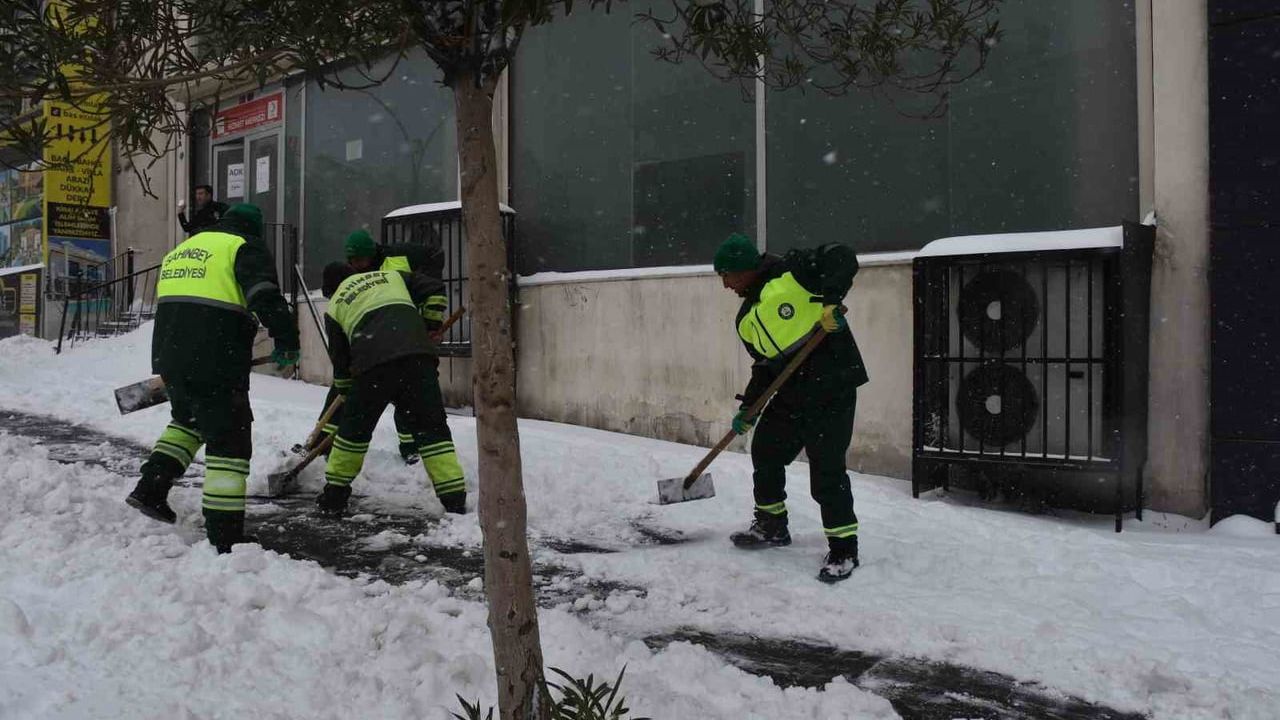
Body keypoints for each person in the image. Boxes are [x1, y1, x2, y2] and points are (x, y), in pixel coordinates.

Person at [125, 203, 300, 552]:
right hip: (215, 360)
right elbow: (264, 295)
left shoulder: (185, 249)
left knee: (188, 421)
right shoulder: (243, 246)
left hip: (170, 355)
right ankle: (225, 534)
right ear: (254, 229)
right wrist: (287, 339)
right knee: (230, 441)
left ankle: (150, 489)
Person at [714, 232, 869, 583]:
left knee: (826, 468)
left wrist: (831, 302)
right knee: (766, 451)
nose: (725, 285)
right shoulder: (746, 319)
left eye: (727, 275)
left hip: (832, 385)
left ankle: (844, 549)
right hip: (792, 391)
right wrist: (749, 408)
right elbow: (766, 365)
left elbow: (841, 253)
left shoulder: (794, 271)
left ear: (744, 268)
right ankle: (771, 525)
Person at [315, 261, 467, 516]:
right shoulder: (392, 277)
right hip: (418, 358)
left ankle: (335, 496)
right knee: (432, 429)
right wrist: (429, 324)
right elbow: (435, 288)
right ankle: (454, 498)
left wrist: (346, 389)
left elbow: (340, 361)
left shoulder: (335, 305)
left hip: (373, 364)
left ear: (331, 289)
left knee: (354, 432)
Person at [304, 229, 450, 464]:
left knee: (409, 394)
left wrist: (428, 322)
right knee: (342, 392)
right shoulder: (353, 275)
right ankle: (320, 443)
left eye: (360, 260)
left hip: (407, 334)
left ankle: (411, 447)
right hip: (373, 341)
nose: (356, 265)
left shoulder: (399, 259)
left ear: (372, 254)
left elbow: (434, 265)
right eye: (351, 261)